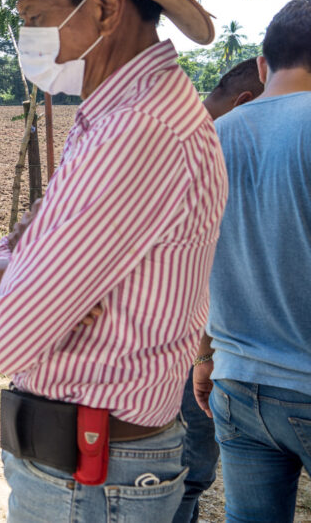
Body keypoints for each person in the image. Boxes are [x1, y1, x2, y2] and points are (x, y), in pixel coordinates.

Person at [0, 0, 227, 522]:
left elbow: (8, 340)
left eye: (36, 18)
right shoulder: (126, 113)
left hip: (89, 478)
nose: (28, 39)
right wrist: (14, 267)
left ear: (105, 7)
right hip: (94, 466)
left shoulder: (136, 130)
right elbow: (25, 253)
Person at [193, 0, 311, 522]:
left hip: (236, 382)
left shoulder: (209, 140)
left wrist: (204, 356)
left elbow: (196, 264)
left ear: (263, 66)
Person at [173, 57, 263, 523]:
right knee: (184, 476)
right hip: (187, 349)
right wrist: (204, 355)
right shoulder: (204, 155)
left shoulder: (177, 140)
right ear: (245, 104)